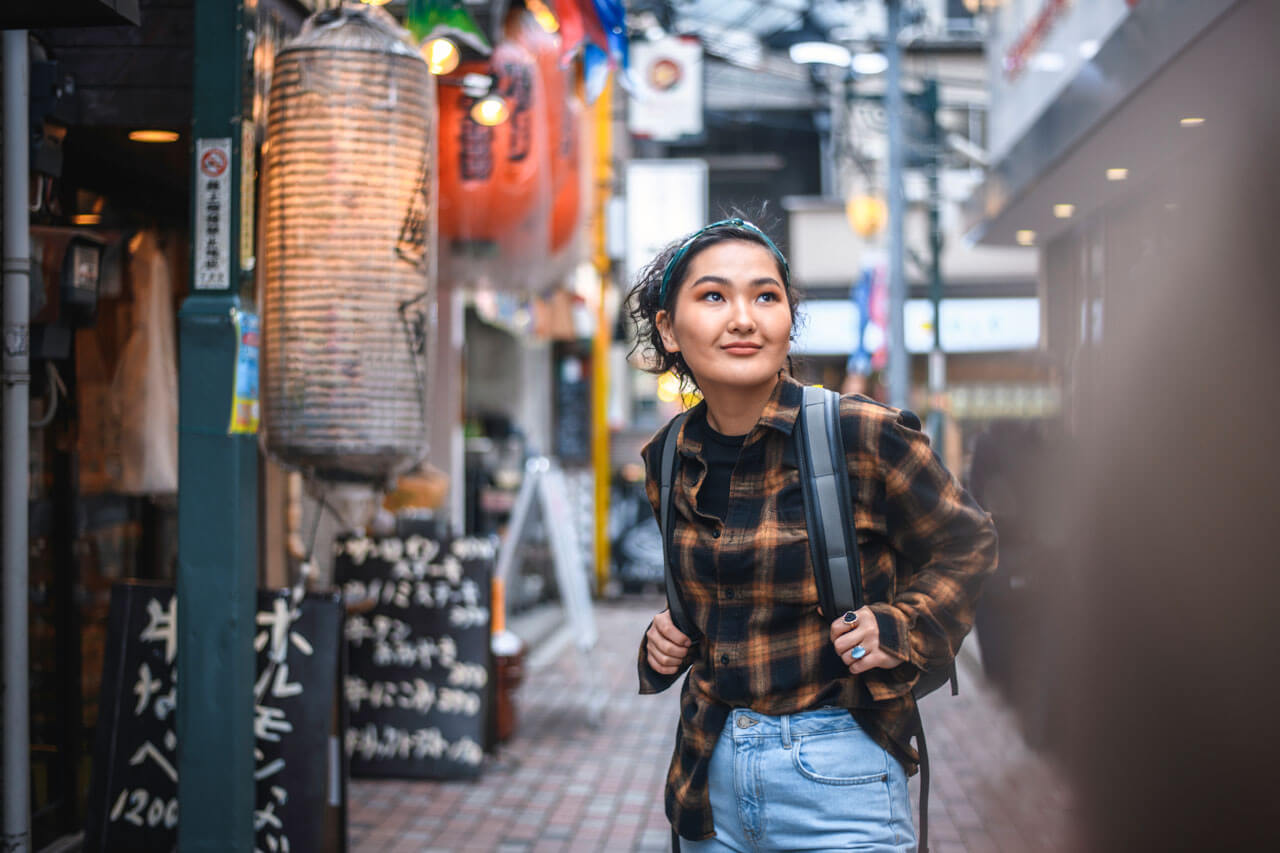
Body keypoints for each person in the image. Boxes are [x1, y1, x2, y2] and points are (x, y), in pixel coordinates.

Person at [626, 217, 998, 851]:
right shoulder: (668, 456)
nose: (744, 318)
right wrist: (667, 635)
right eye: (714, 296)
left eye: (766, 296)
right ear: (667, 327)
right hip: (706, 778)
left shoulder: (861, 434)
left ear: (787, 320)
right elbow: (721, 596)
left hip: (838, 773)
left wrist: (901, 625)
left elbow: (968, 542)